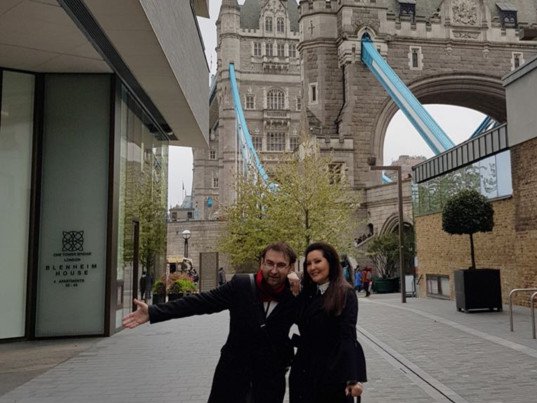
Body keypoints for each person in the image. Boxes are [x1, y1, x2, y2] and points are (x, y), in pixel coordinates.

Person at [122, 242, 298, 403]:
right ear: (261, 263)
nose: (274, 270)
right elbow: (200, 302)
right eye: (269, 263)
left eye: (281, 265)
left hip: (270, 379)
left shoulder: (294, 296)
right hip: (232, 375)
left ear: (290, 267)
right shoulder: (242, 286)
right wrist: (153, 312)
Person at [289, 242, 367, 403]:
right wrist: (293, 291)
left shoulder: (344, 293)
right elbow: (296, 318)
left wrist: (352, 378)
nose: (312, 267)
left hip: (332, 373)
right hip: (303, 371)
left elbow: (348, 336)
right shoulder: (308, 293)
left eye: (317, 261)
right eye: (308, 263)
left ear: (330, 262)